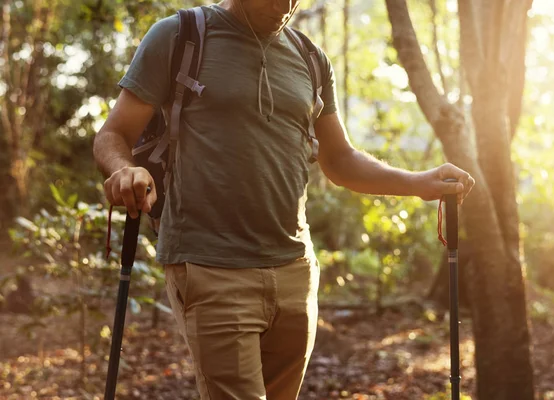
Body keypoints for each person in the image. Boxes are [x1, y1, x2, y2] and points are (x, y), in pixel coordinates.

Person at [93, 0, 475, 398]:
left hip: (295, 270)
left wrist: (418, 182)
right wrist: (124, 169)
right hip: (211, 266)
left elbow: (340, 160)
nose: (287, 4)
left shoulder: (310, 58)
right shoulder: (180, 36)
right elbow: (112, 135)